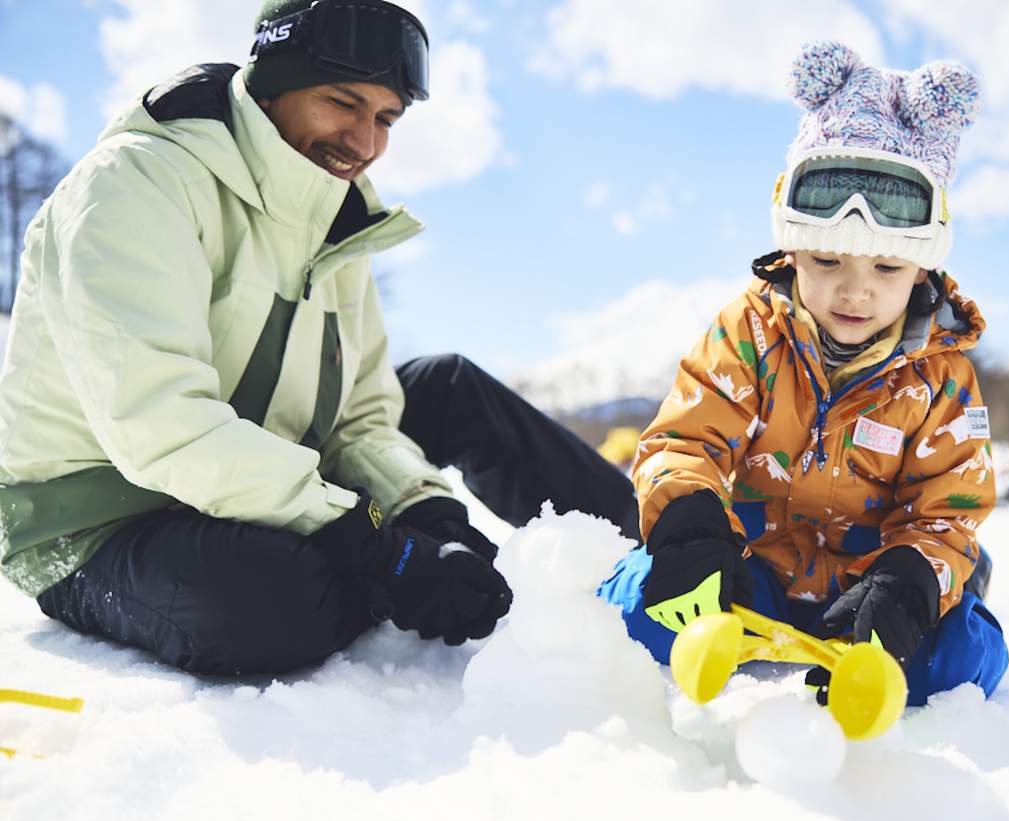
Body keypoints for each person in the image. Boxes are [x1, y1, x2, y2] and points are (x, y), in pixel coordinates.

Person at [0, 0, 637, 677]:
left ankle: (665, 558)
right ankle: (363, 574)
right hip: (101, 515)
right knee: (274, 600)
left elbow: (361, 416)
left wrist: (428, 511)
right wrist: (378, 548)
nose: (363, 142)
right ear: (272, 87)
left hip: (262, 459)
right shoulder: (134, 184)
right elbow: (162, 423)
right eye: (343, 102)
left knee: (447, 384)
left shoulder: (335, 216)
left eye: (386, 119)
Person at [598, 42, 1008, 706]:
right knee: (637, 608)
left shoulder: (942, 377)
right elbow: (685, 441)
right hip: (751, 568)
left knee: (956, 664)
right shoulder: (749, 331)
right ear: (790, 247)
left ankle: (934, 598)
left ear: (923, 268)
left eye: (885, 268)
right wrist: (695, 528)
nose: (854, 291)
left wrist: (909, 579)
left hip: (866, 589)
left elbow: (947, 509)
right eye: (826, 261)